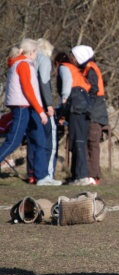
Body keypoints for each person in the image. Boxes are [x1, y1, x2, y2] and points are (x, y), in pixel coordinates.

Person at [0, 38, 62, 186]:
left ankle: (42, 176)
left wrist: (38, 110)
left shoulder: (25, 64)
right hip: (22, 107)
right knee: (13, 141)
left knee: (39, 140)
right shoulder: (23, 64)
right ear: (32, 52)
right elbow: (28, 90)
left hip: (29, 108)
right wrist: (41, 112)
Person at [71, 45, 109, 186]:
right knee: (88, 143)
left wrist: (84, 102)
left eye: (74, 57)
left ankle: (93, 175)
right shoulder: (87, 69)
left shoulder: (91, 70)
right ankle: (88, 174)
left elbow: (93, 90)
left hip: (94, 112)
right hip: (93, 110)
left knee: (92, 143)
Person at [55, 50, 92, 186]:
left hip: (76, 106)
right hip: (84, 106)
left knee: (77, 141)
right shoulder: (76, 70)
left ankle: (81, 176)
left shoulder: (64, 67)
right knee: (79, 140)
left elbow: (66, 84)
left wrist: (63, 100)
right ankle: (77, 175)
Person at [26, 38, 58, 184]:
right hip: (41, 105)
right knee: (47, 140)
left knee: (33, 139)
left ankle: (32, 172)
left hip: (30, 103)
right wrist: (49, 104)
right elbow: (44, 82)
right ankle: (47, 174)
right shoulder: (44, 60)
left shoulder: (29, 61)